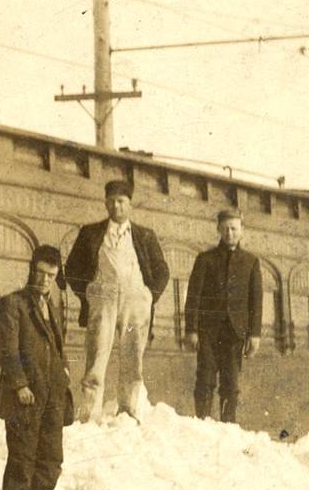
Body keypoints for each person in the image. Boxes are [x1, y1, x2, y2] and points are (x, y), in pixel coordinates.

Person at [62, 179, 170, 422]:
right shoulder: (90, 233)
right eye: (111, 201)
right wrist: (88, 292)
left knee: (132, 355)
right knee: (97, 353)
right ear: (105, 203)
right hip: (103, 301)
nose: (116, 206)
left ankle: (129, 411)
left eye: (121, 201)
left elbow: (162, 270)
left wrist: (149, 296)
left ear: (130, 204)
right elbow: (71, 268)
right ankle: (90, 414)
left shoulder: (144, 236)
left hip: (135, 305)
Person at [0, 245, 72, 490]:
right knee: (22, 457)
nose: (44, 280)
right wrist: (20, 384)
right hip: (25, 395)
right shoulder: (12, 304)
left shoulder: (54, 305)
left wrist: (64, 371)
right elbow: (6, 349)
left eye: (50, 275)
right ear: (31, 270)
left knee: (51, 457)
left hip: (52, 394)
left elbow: (59, 346)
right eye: (39, 273)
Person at [183, 209, 263, 423]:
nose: (230, 233)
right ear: (218, 229)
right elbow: (193, 297)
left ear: (242, 231)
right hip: (208, 331)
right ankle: (203, 424)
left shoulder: (251, 262)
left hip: (235, 332)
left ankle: (228, 426)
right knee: (205, 379)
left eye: (234, 229)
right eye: (226, 228)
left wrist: (255, 334)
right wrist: (191, 330)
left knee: (231, 383)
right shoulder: (205, 259)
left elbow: (256, 301)